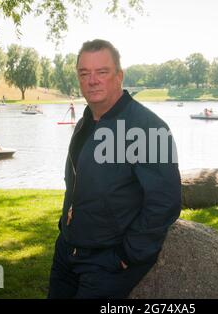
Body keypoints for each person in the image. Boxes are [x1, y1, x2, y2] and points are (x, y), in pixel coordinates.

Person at [47, 39, 181, 299]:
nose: (92, 80)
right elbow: (76, 183)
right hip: (67, 252)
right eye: (84, 73)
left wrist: (126, 256)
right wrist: (65, 230)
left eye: (102, 72)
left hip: (107, 263)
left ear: (119, 76)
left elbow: (165, 202)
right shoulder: (85, 123)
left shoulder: (148, 129)